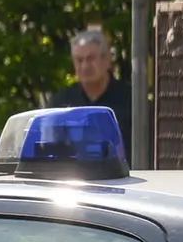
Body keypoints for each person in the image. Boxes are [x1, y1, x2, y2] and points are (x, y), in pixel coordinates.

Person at [49, 28, 133, 163]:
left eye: (90, 58)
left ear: (107, 60)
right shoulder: (60, 104)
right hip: (73, 180)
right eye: (79, 60)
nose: (85, 66)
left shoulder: (132, 102)